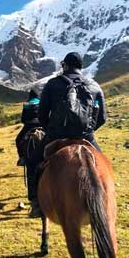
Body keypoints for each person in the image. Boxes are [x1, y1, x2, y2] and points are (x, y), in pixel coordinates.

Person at [27, 52, 107, 217]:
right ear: (80, 66)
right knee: (102, 165)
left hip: (57, 134)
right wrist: (88, 131)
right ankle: (105, 200)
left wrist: (51, 129)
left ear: (65, 65)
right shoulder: (94, 86)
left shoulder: (53, 84)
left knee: (33, 162)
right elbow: (102, 118)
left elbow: (42, 114)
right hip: (86, 136)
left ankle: (35, 203)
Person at [15, 88, 41, 166]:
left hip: (29, 125)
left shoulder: (26, 105)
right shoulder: (42, 103)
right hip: (42, 124)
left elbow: (23, 119)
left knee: (18, 139)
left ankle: (22, 158)